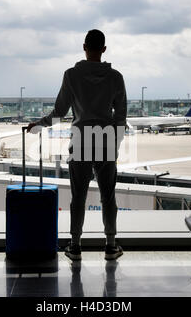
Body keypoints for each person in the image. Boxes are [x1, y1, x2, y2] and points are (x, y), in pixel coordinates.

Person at [27, 29, 127, 261]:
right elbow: (121, 115)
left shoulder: (71, 75)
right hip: (105, 140)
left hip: (81, 140)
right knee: (108, 196)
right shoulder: (115, 78)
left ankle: (75, 245)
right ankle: (110, 245)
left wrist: (38, 125)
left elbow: (59, 112)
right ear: (104, 49)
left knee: (78, 196)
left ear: (84, 46)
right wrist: (116, 142)